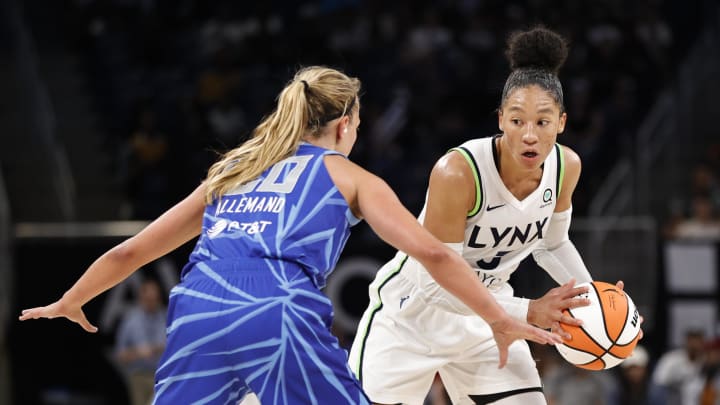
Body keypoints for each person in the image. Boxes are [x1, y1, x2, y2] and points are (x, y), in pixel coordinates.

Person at [19, 66, 562, 405]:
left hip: (197, 310)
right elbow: (431, 254)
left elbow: (133, 250)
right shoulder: (347, 174)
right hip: (275, 308)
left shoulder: (232, 170)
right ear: (346, 124)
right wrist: (500, 318)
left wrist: (71, 300)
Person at [349, 26, 632, 405]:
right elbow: (434, 281)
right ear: (500, 120)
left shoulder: (567, 166)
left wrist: (597, 303)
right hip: (411, 315)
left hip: (488, 318)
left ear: (561, 123)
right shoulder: (459, 171)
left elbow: (552, 243)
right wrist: (528, 310)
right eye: (517, 121)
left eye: (543, 122)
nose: (529, 134)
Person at [113, 277, 167, 405]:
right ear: (141, 298)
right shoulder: (130, 320)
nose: (151, 303)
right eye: (148, 300)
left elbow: (176, 347)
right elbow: (120, 354)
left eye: (155, 299)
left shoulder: (167, 317)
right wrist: (138, 352)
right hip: (138, 376)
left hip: (162, 377)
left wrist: (155, 349)